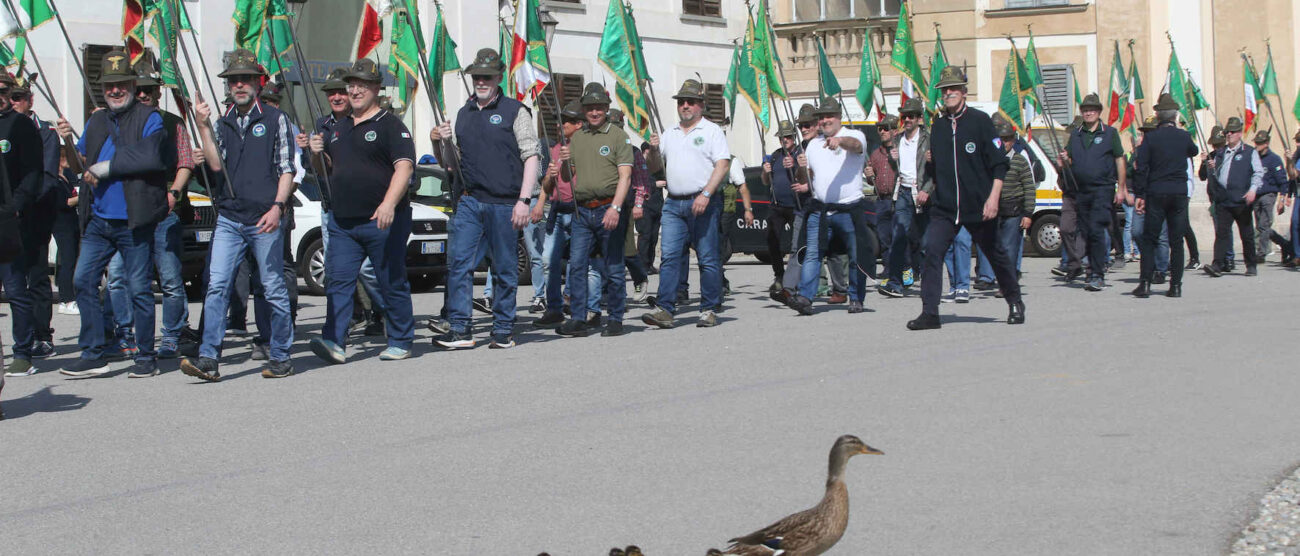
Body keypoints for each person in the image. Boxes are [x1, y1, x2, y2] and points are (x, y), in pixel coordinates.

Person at [55, 48, 174, 378]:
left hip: (134, 221)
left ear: (134, 85)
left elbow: (152, 156)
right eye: (110, 85)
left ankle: (146, 357)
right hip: (99, 219)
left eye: (121, 83)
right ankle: (94, 352)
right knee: (82, 281)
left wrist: (106, 168)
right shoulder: (96, 121)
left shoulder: (150, 117)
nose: (115, 90)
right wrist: (66, 142)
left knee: (138, 289)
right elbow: (78, 167)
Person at [180, 48, 295, 381]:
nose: (240, 85)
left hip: (264, 217)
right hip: (230, 217)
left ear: (258, 83)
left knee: (271, 286)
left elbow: (286, 168)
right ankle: (208, 358)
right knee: (216, 285)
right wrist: (203, 126)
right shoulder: (224, 121)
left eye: (245, 79)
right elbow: (216, 164)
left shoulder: (276, 119)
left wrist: (278, 207)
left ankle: (281, 355)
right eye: (234, 80)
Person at [305, 58, 418, 361]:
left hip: (381, 219)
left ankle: (401, 340)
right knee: (338, 281)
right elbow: (326, 170)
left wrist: (388, 204)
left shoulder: (390, 124)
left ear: (376, 89)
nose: (354, 90)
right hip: (343, 221)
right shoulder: (338, 128)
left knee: (390, 280)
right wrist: (316, 155)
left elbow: (404, 167)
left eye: (362, 85)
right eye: (351, 84)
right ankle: (335, 342)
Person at [431, 49, 539, 349]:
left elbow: (531, 156)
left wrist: (524, 200)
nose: (481, 81)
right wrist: (438, 141)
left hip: (505, 202)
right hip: (469, 199)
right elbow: (451, 164)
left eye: (487, 76)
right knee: (459, 265)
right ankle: (461, 329)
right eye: (477, 76)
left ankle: (503, 328)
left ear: (498, 77)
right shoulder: (463, 114)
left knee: (504, 268)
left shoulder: (516, 111)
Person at [907, 66, 1022, 330]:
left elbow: (999, 165)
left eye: (953, 89)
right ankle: (930, 313)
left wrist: (993, 199)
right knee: (932, 252)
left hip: (977, 205)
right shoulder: (938, 125)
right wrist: (931, 165)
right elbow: (939, 169)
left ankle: (1014, 301)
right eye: (945, 89)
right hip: (945, 206)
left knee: (996, 254)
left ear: (964, 92)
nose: (948, 93)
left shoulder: (980, 122)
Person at [101, 55, 194, 361]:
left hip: (163, 211)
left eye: (149, 90)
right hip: (126, 212)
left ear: (158, 93)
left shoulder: (172, 122)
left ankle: (170, 336)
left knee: (169, 278)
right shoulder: (115, 121)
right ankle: (125, 335)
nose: (143, 94)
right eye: (138, 89)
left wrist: (174, 193)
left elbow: (185, 162)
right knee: (118, 276)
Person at [642, 79, 730, 329]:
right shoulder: (669, 133)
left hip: (702, 202)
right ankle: (665, 309)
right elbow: (656, 169)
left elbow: (722, 165)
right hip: (674, 204)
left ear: (701, 105)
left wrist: (706, 194)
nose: (685, 106)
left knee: (707, 258)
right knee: (669, 257)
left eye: (690, 101)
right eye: (681, 102)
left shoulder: (711, 131)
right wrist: (654, 152)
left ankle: (709, 308)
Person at [550, 83, 632, 337]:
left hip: (609, 206)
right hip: (582, 211)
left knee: (614, 266)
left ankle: (616, 318)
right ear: (584, 110)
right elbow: (567, 175)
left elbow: (625, 176)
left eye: (599, 107)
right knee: (576, 266)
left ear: (606, 109)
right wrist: (564, 161)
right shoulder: (579, 138)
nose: (594, 112)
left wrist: (616, 208)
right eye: (590, 108)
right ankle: (578, 317)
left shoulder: (617, 135)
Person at [790, 96, 873, 315]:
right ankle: (805, 297)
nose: (825, 120)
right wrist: (800, 167)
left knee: (856, 256)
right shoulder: (814, 145)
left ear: (839, 117)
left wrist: (840, 141)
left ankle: (856, 298)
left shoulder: (854, 135)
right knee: (812, 254)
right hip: (820, 209)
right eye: (821, 117)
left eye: (829, 116)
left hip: (849, 208)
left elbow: (856, 147)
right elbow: (804, 178)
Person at [532, 100, 599, 329]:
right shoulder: (555, 148)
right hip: (558, 211)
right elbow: (547, 183)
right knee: (547, 260)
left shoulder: (588, 145)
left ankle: (593, 309)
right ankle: (554, 308)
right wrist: (541, 202)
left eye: (566, 121)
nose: (560, 125)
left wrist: (573, 163)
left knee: (585, 264)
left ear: (579, 124)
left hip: (581, 209)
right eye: (559, 120)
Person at [8, 78, 59, 368]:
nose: (13, 102)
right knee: (12, 283)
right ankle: (21, 339)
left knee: (36, 276)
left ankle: (42, 335)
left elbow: (46, 175)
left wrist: (22, 204)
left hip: (35, 213)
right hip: (9, 216)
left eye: (18, 96)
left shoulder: (44, 131)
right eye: (9, 97)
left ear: (29, 100)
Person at [0, 72, 48, 377]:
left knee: (15, 287)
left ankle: (23, 352)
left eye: (4, 90)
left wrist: (15, 208)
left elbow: (32, 173)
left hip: (7, 220)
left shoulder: (18, 125)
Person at [1130, 94, 1198, 297]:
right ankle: (1175, 286)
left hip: (1157, 191)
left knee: (1150, 239)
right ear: (1175, 116)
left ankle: (1145, 283)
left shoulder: (1151, 138)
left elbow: (1141, 168)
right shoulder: (1184, 136)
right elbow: (1193, 151)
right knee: (1176, 241)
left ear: (1158, 116)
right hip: (1178, 192)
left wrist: (1140, 194)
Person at [1057, 93, 1127, 292]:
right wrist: (1063, 160)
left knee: (1096, 230)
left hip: (1102, 189)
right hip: (1081, 190)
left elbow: (1119, 159)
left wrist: (1121, 188)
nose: (1088, 113)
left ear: (1098, 112)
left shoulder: (1110, 133)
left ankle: (1098, 273)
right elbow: (1069, 162)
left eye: (1092, 110)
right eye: (1085, 110)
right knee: (1086, 232)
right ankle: (1091, 268)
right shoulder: (1076, 134)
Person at [879, 99, 930, 298]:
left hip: (923, 192)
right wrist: (894, 159)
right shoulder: (898, 140)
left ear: (919, 118)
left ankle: (928, 283)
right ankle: (895, 282)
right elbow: (897, 168)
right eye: (905, 116)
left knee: (925, 242)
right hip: (903, 192)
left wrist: (927, 189)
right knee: (898, 237)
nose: (907, 119)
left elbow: (935, 171)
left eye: (911, 116)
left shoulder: (928, 139)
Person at [1203, 116, 1262, 278]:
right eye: (1227, 132)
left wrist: (1253, 190)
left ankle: (1251, 265)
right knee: (1222, 233)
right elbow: (1219, 174)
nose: (1229, 134)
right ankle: (1217, 265)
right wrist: (1214, 168)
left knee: (1247, 234)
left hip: (1241, 200)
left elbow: (1258, 173)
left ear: (1239, 133)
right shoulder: (1221, 153)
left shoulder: (1249, 152)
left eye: (1233, 132)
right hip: (1224, 200)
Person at [770, 104, 817, 306]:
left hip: (821, 205)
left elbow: (823, 174)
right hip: (800, 206)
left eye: (807, 125)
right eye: (801, 126)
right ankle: (788, 289)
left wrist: (799, 169)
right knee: (798, 248)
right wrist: (798, 167)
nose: (804, 129)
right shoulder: (782, 154)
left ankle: (842, 289)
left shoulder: (821, 145)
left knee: (831, 251)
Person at [760, 120, 806, 294]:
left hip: (796, 205)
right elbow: (765, 181)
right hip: (777, 206)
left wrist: (795, 166)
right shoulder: (775, 156)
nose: (785, 140)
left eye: (788, 136)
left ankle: (798, 280)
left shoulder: (799, 154)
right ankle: (779, 275)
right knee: (771, 239)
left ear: (794, 137)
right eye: (782, 137)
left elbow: (805, 178)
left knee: (798, 244)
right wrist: (765, 170)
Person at [1250, 129, 1288, 262]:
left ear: (1266, 143)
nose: (1257, 146)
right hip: (1256, 195)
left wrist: (1282, 199)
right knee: (1261, 226)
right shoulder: (1254, 158)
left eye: (1260, 143)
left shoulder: (1274, 159)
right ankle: (1284, 244)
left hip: (1268, 194)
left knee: (1264, 224)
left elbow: (1283, 181)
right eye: (1256, 143)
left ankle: (1261, 253)